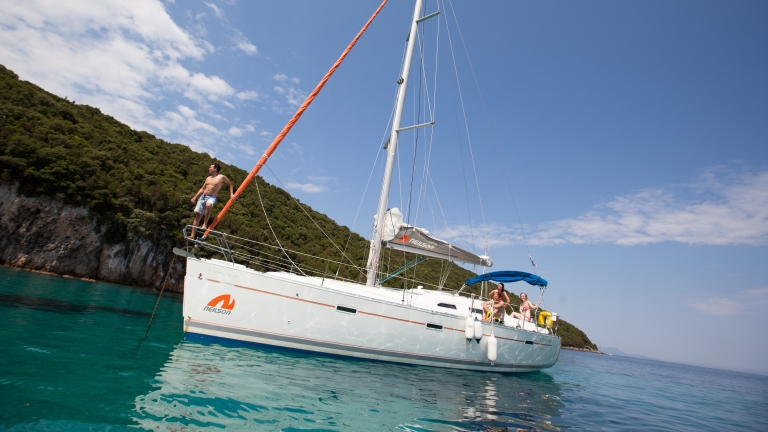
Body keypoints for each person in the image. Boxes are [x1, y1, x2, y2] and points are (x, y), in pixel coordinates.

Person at [188, 163, 236, 240]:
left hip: (212, 196)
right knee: (197, 216)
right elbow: (202, 188)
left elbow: (230, 185)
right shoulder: (208, 178)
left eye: (210, 167)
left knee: (209, 205)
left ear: (215, 168)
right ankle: (192, 235)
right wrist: (195, 197)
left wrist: (231, 194)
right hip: (203, 196)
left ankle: (205, 224)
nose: (209, 168)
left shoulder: (221, 177)